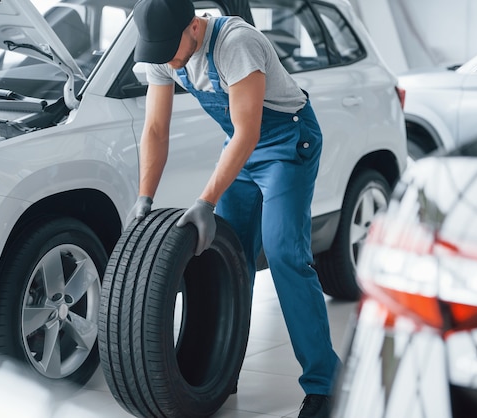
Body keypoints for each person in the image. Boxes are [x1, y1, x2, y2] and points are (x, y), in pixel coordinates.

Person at [130, 0, 339, 416]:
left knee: (285, 256)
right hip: (242, 149)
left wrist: (205, 201)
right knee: (228, 259)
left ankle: (324, 384)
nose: (168, 61)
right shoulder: (162, 52)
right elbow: (155, 129)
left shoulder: (236, 44)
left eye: (172, 48)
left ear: (193, 28)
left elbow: (248, 130)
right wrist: (144, 199)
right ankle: (222, 369)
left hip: (285, 144)